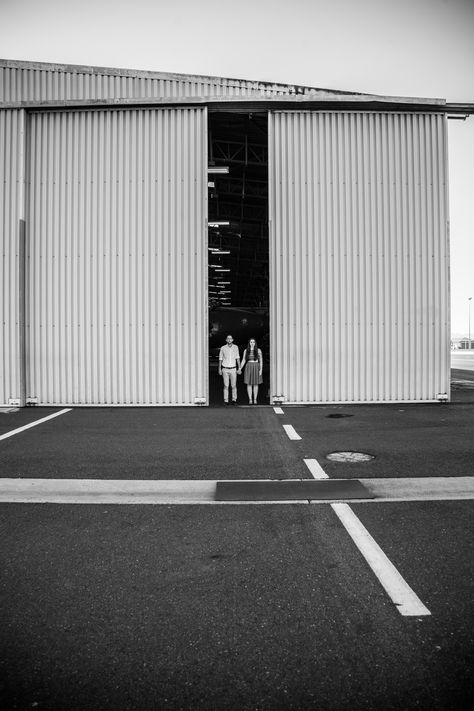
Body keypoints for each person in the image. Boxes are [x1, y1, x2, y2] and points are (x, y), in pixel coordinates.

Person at [218, 334, 241, 405]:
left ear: (232, 340)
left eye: (230, 339)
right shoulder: (223, 348)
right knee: (226, 385)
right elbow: (220, 359)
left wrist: (239, 368)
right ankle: (226, 401)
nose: (229, 340)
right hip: (225, 369)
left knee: (233, 385)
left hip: (233, 369)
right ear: (226, 340)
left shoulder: (236, 347)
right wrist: (219, 369)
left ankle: (234, 400)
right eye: (228, 339)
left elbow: (237, 358)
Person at [240, 338, 263, 404]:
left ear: (255, 343)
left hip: (256, 366)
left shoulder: (258, 350)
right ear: (249, 343)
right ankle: (250, 399)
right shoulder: (246, 350)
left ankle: (255, 399)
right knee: (249, 384)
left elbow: (261, 361)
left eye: (253, 342)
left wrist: (261, 370)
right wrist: (240, 368)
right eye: (251, 342)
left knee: (256, 384)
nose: (252, 343)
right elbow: (244, 360)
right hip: (248, 366)